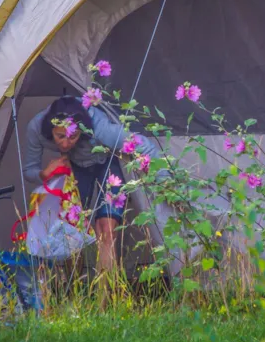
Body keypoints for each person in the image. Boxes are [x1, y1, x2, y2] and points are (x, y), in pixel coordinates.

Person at [23, 95, 163, 279]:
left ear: (82, 130)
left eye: (73, 136)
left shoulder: (100, 127)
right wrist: (44, 174)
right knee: (68, 228)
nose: (65, 143)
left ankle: (105, 298)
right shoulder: (36, 127)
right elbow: (28, 170)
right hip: (75, 166)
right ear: (51, 130)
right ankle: (71, 289)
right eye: (60, 136)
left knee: (106, 229)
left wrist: (164, 182)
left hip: (107, 161)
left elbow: (145, 146)